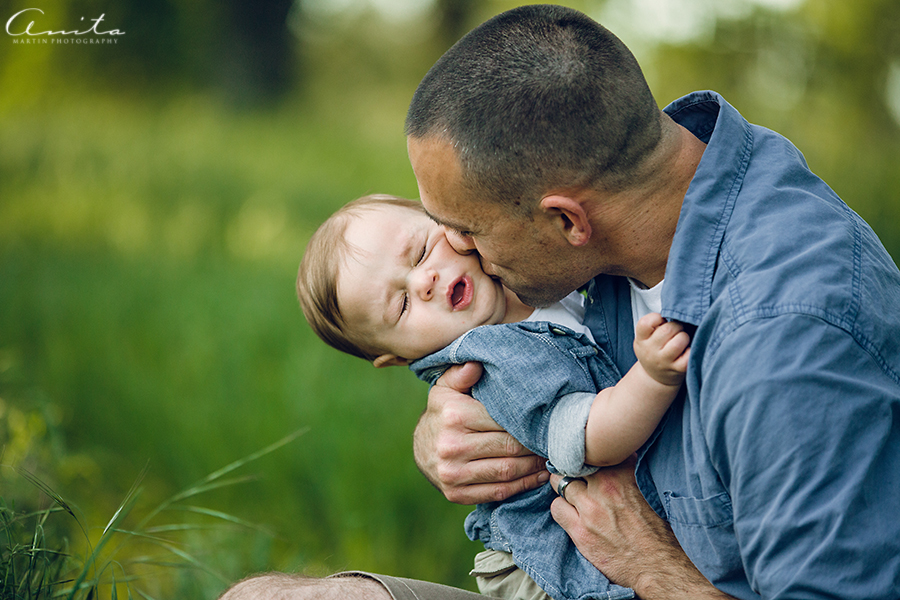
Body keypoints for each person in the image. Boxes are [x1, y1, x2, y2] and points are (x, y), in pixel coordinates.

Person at [221, 4, 900, 600]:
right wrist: (449, 430)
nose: (453, 255)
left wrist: (652, 568)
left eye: (463, 232)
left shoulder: (787, 343)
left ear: (567, 221)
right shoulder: (626, 205)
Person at [293, 193, 689, 600]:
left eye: (421, 252)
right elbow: (590, 438)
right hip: (556, 571)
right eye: (403, 305)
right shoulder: (495, 365)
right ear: (397, 357)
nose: (424, 281)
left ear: (451, 224)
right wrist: (653, 377)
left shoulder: (537, 278)